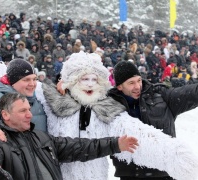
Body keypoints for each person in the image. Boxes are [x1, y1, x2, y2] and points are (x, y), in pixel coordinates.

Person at [36, 51, 198, 180]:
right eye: (85, 79)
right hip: (61, 174)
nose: (90, 83)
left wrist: (177, 156)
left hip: (154, 174)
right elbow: (24, 90)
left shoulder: (107, 107)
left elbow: (138, 134)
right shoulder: (51, 100)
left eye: (94, 79)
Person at [0, 92, 138, 180]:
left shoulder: (42, 138)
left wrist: (115, 144)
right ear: (5, 115)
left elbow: (80, 147)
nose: (29, 115)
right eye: (22, 111)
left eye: (29, 110)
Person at [108, 60, 198, 180]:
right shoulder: (108, 106)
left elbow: (190, 94)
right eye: (131, 83)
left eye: (139, 80)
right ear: (119, 86)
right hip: (130, 175)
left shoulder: (161, 96)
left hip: (163, 173)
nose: (137, 87)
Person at [0, 59, 47, 144]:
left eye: (34, 79)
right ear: (13, 82)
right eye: (26, 80)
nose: (32, 84)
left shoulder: (39, 99)